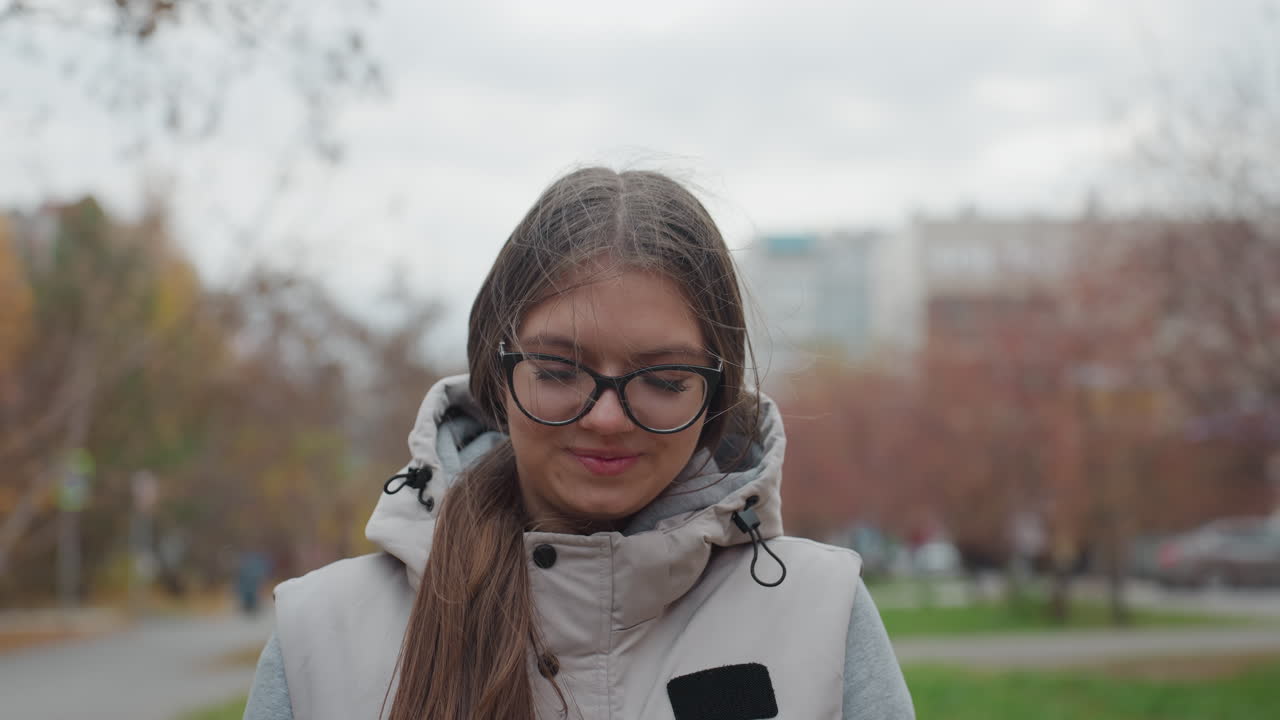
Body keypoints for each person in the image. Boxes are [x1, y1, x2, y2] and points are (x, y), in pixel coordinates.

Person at [243, 167, 915, 719]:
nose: (607, 418)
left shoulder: (822, 615)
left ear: (716, 392)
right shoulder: (321, 636)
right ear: (496, 372)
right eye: (560, 371)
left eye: (663, 378)